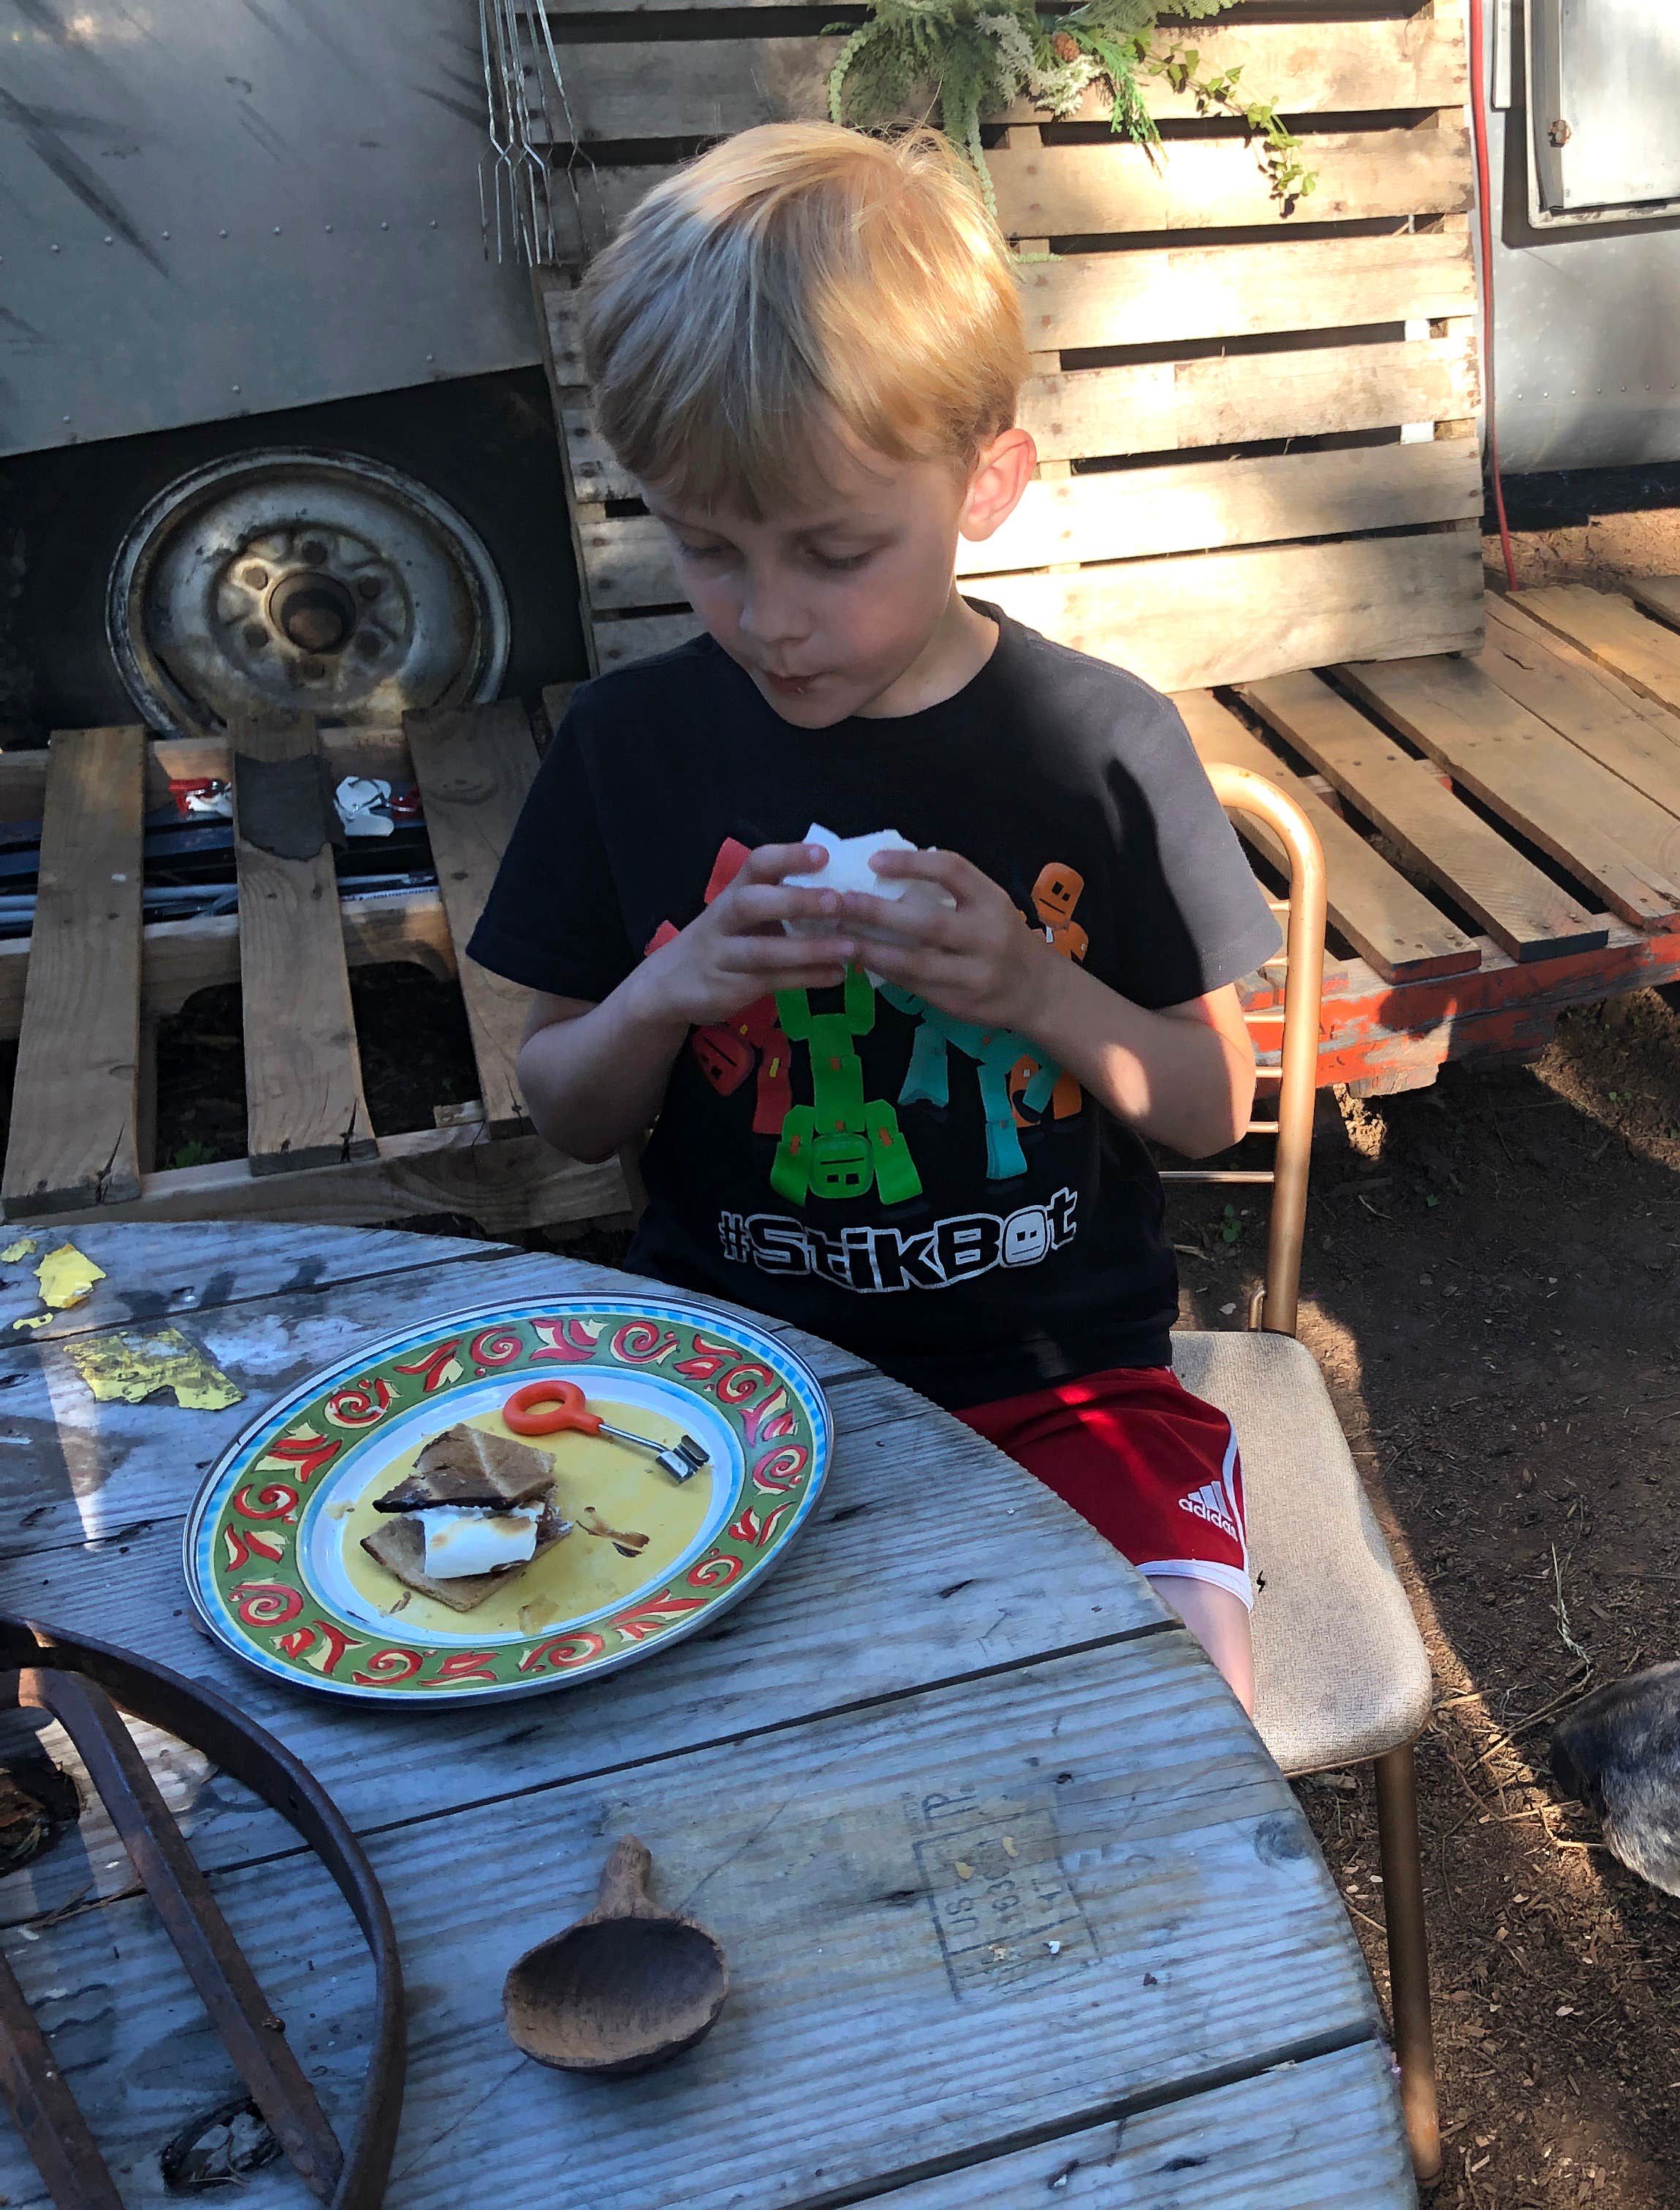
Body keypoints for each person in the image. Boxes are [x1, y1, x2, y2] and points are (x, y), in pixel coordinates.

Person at [466, 121, 1282, 1707]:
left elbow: (1208, 1107)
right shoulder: (629, 748)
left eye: (836, 553)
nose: (769, 618)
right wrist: (668, 992)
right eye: (707, 549)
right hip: (731, 1379)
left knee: (1170, 1726)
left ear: (989, 483)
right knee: (676, 1736)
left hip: (1073, 1385)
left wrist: (1034, 988)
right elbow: (564, 1109)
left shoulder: (1103, 745)